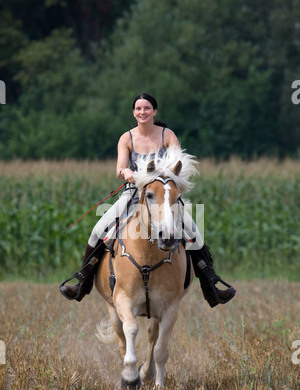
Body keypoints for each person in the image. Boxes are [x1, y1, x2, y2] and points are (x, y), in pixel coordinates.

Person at [59, 93, 236, 307]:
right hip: (133, 194)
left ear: (155, 112)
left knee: (194, 233)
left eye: (147, 108)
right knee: (98, 230)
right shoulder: (127, 138)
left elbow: (178, 167)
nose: (142, 112)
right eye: (138, 109)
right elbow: (119, 168)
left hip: (164, 197)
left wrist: (166, 178)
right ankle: (82, 283)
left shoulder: (168, 135)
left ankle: (211, 286)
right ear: (134, 113)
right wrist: (127, 173)